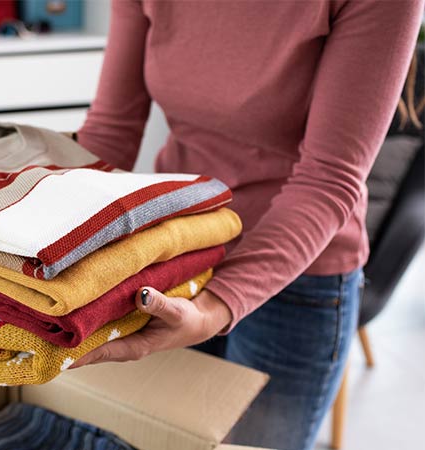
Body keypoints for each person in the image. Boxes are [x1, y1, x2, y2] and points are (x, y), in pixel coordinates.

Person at [69, 2, 424, 449]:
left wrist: (217, 308)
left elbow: (328, 180)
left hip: (298, 277)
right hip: (179, 255)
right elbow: (110, 131)